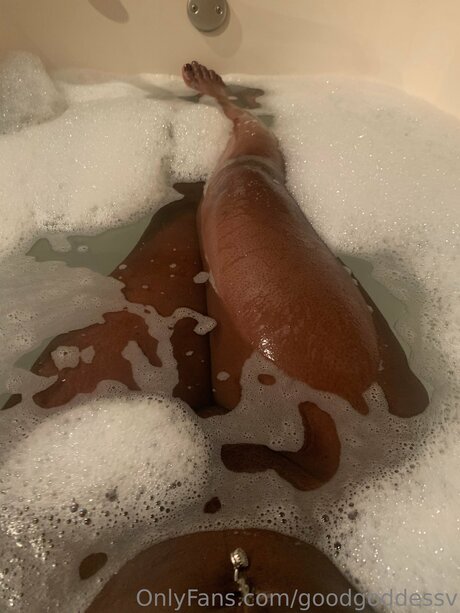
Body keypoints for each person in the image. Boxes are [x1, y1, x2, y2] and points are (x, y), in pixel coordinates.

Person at [5, 63, 429, 610]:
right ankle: (227, 121)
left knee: (188, 213)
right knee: (244, 187)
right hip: (338, 494)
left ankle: (215, 122)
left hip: (81, 537)